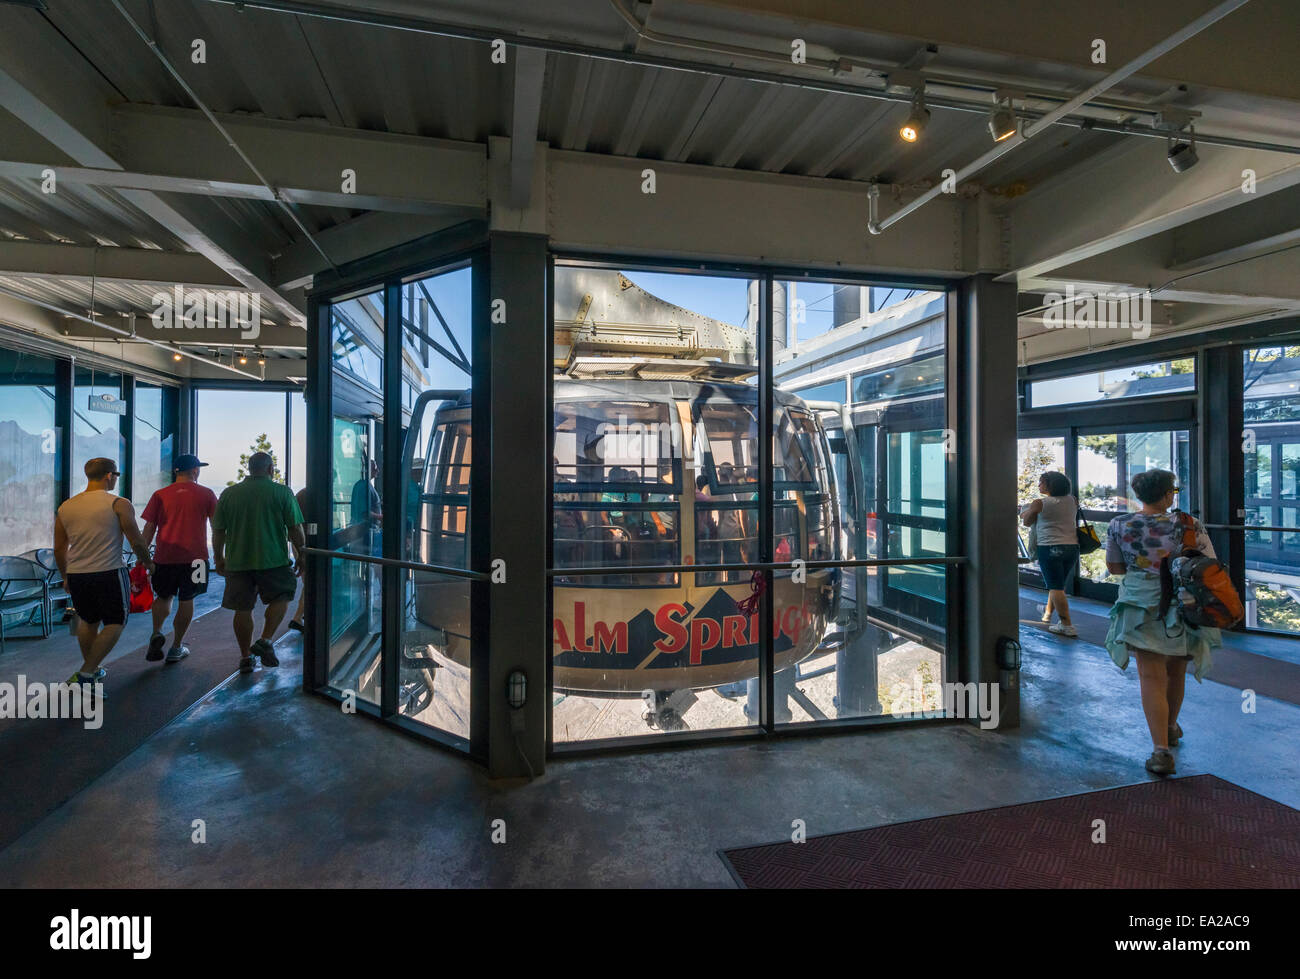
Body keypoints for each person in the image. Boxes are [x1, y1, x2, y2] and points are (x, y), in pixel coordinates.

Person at [1103, 468, 1221, 777]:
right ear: (1168, 495)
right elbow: (1210, 565)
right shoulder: (1188, 524)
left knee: (1150, 676)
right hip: (1184, 604)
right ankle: (1170, 727)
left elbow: (1115, 568)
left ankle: (1160, 751)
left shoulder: (1119, 524)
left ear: (1140, 495)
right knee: (1177, 669)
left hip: (1142, 605)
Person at [53, 458, 155, 688]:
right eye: (116, 475)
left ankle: (93, 670)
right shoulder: (118, 503)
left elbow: (59, 548)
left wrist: (65, 576)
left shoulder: (66, 507)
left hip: (78, 574)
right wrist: (148, 562)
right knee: (116, 621)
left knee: (88, 621)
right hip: (109, 572)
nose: (116, 479)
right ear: (109, 476)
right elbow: (135, 539)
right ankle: (86, 673)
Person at [213, 451, 306, 674]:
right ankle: (265, 640)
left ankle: (245, 657)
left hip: (238, 562)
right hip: (273, 560)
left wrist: (219, 557)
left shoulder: (229, 494)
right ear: (270, 469)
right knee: (282, 597)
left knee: (242, 609)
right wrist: (302, 554)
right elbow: (295, 528)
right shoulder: (282, 492)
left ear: (249, 469)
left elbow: (218, 530)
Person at [140, 454, 217, 664]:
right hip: (197, 559)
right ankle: (176, 646)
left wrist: (143, 556)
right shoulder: (207, 494)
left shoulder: (160, 495)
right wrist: (220, 554)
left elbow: (149, 528)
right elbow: (217, 526)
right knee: (187, 598)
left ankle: (157, 632)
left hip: (164, 557)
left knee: (164, 596)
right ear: (194, 471)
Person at [1020, 470, 1080, 636]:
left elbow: (1026, 522)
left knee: (1055, 587)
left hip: (1050, 547)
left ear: (1050, 485)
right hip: (1072, 547)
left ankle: (1067, 625)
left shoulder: (1040, 503)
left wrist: (1027, 511)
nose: (1039, 485)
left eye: (1041, 482)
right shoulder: (1072, 500)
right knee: (1058, 585)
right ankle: (1048, 614)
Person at [288, 485, 311, 632]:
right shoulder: (308, 496)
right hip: (302, 544)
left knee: (308, 581)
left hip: (300, 543)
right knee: (309, 581)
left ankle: (301, 616)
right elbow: (297, 525)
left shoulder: (302, 494)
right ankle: (297, 618)